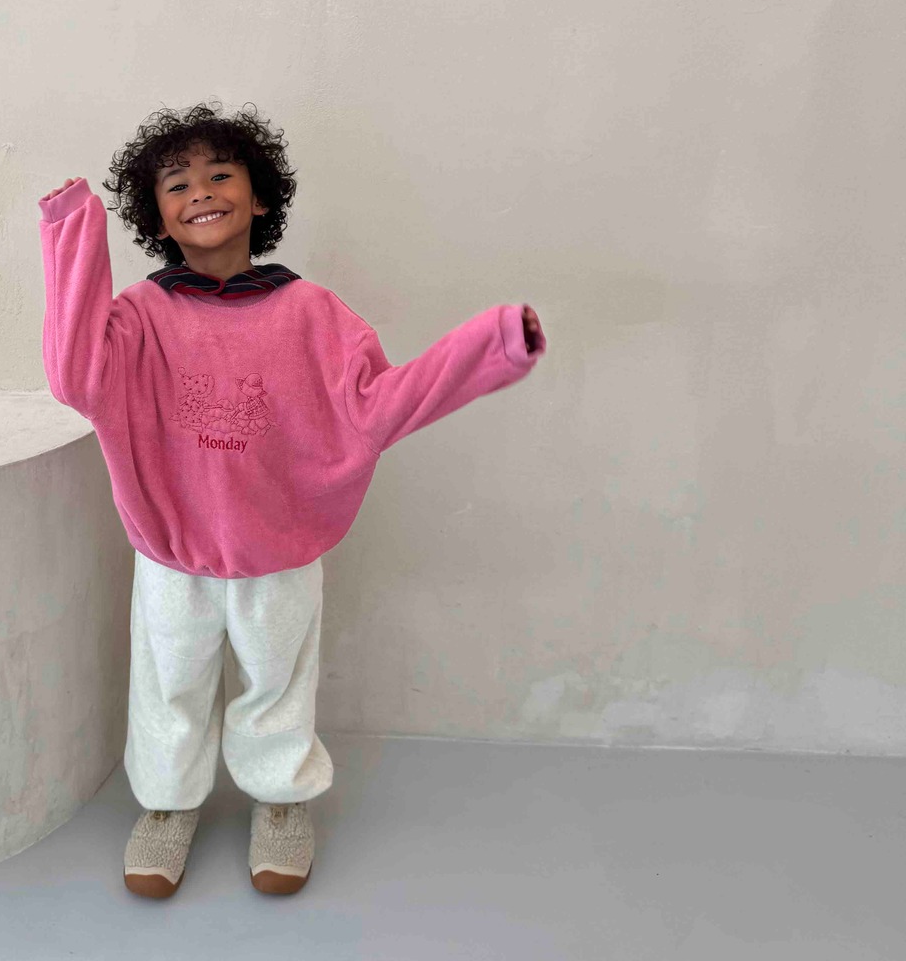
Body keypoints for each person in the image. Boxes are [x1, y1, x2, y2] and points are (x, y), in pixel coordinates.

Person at [37, 100, 546, 899]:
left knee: (279, 686)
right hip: (173, 553)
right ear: (156, 216)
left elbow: (380, 405)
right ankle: (168, 805)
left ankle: (280, 800)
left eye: (220, 174)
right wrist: (72, 230)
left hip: (280, 550)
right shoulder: (138, 317)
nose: (201, 192)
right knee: (169, 686)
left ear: (260, 196)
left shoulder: (315, 314)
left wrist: (494, 345)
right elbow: (75, 378)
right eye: (177, 184)